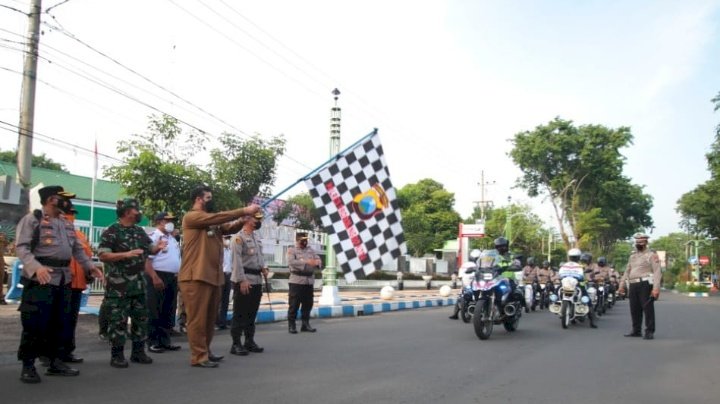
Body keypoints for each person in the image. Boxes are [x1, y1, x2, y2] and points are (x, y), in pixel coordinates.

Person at [15, 185, 103, 384]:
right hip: (41, 279)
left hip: (64, 278)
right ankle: (28, 365)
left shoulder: (66, 223)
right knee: (35, 324)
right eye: (62, 198)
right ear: (50, 199)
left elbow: (77, 250)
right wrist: (36, 267)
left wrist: (90, 266)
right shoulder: (32, 220)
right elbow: (21, 248)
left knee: (59, 322)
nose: (67, 203)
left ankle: (56, 362)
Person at [178, 185, 259, 368]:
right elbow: (217, 218)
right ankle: (198, 356)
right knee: (197, 319)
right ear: (198, 199)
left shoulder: (210, 221)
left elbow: (227, 227)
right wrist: (243, 210)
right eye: (208, 197)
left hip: (212, 276)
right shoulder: (192, 217)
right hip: (195, 276)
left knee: (208, 318)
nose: (211, 200)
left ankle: (205, 351)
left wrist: (242, 220)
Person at [98, 198, 165, 368]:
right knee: (118, 321)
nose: (139, 213)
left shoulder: (139, 231)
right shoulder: (111, 231)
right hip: (119, 286)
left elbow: (150, 249)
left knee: (140, 319)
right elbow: (103, 255)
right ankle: (117, 354)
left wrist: (159, 247)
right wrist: (125, 254)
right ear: (127, 212)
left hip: (139, 285)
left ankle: (138, 352)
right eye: (136, 210)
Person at [57, 203, 96, 364]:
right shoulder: (56, 232)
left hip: (77, 283)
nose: (71, 216)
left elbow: (86, 256)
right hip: (61, 282)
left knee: (70, 320)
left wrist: (89, 273)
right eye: (68, 213)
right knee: (58, 320)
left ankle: (67, 351)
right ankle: (51, 354)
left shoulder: (79, 235)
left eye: (72, 214)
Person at [229, 212, 268, 355]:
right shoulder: (238, 238)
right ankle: (236, 344)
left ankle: (249, 341)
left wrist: (263, 267)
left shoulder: (256, 237)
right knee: (240, 313)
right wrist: (242, 280)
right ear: (247, 220)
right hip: (244, 280)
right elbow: (236, 261)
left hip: (256, 279)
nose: (258, 222)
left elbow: (259, 256)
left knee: (252, 312)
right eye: (256, 219)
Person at [144, 212, 182, 354]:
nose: (171, 223)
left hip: (171, 277)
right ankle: (153, 341)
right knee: (155, 309)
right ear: (160, 222)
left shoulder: (171, 239)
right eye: (168, 220)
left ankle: (165, 341)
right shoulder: (154, 237)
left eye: (172, 220)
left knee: (168, 309)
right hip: (157, 275)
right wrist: (154, 277)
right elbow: (147, 261)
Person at [618, 233, 662, 340]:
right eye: (637, 242)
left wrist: (656, 288)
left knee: (647, 308)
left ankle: (649, 331)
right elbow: (627, 271)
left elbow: (657, 272)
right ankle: (636, 330)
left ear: (646, 243)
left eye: (641, 242)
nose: (639, 244)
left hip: (645, 284)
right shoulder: (632, 256)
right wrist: (621, 285)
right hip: (633, 284)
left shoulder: (651, 255)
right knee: (634, 308)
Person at [287, 232, 321, 334]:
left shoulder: (311, 250)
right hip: (297, 281)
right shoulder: (291, 250)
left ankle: (305, 324)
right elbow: (291, 262)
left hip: (309, 281)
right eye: (303, 240)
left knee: (308, 304)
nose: (305, 242)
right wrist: (306, 262)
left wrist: (317, 262)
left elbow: (318, 259)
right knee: (294, 304)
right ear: (297, 240)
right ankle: (292, 325)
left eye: (306, 240)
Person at [216, 236, 232, 330]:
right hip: (219, 275)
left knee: (226, 300)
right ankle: (216, 321)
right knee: (218, 299)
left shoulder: (230, 250)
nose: (227, 240)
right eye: (225, 238)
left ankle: (222, 321)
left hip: (228, 275)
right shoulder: (218, 249)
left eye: (228, 238)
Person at [0, 231, 8, 304]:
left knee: (1, 279)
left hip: (1, 259)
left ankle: (1, 298)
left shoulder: (2, 236)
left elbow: (5, 244)